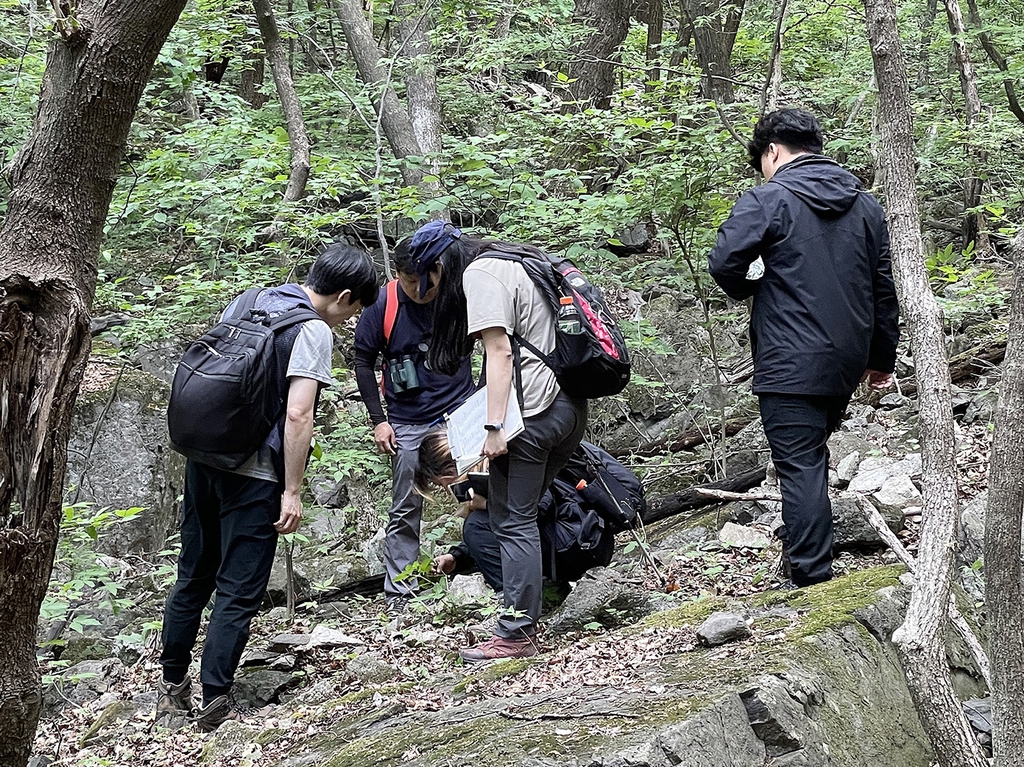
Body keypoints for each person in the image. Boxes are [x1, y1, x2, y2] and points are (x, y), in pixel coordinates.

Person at [158, 244, 378, 730]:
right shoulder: (313, 329)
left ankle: (171, 689)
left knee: (193, 575)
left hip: (204, 458)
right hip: (254, 473)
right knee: (237, 589)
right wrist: (292, 490)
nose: (352, 318)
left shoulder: (249, 298)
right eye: (357, 308)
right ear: (343, 296)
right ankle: (215, 700)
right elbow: (298, 414)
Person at [708, 108, 900, 588]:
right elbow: (883, 288)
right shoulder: (866, 205)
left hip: (790, 356)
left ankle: (812, 578)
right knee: (811, 456)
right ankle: (804, 560)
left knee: (800, 463)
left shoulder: (769, 198)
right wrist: (880, 360)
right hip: (846, 359)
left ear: (772, 151)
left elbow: (724, 262)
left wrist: (756, 282)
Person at [407, 221, 587, 661]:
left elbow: (501, 352)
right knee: (517, 513)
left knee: (511, 520)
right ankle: (530, 610)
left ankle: (517, 631)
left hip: (533, 413)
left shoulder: (479, 275)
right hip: (569, 406)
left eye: (427, 278)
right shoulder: (518, 261)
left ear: (437, 266)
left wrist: (492, 427)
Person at [353, 240, 475, 609]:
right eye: (409, 282)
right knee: (406, 501)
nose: (419, 292)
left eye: (426, 282)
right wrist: (379, 421)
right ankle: (400, 592)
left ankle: (483, 562)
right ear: (397, 274)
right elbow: (362, 361)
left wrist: (484, 399)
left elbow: (492, 340)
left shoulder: (457, 295)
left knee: (480, 488)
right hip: (406, 418)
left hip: (460, 408)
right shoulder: (382, 303)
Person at [415, 432, 636, 592]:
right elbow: (498, 529)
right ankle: (538, 592)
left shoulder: (503, 458)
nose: (447, 490)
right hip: (586, 541)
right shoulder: (490, 459)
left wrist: (487, 505)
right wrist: (456, 556)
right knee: (478, 524)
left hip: (579, 547)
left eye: (441, 484)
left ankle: (515, 603)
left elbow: (539, 507)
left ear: (450, 471)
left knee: (474, 525)